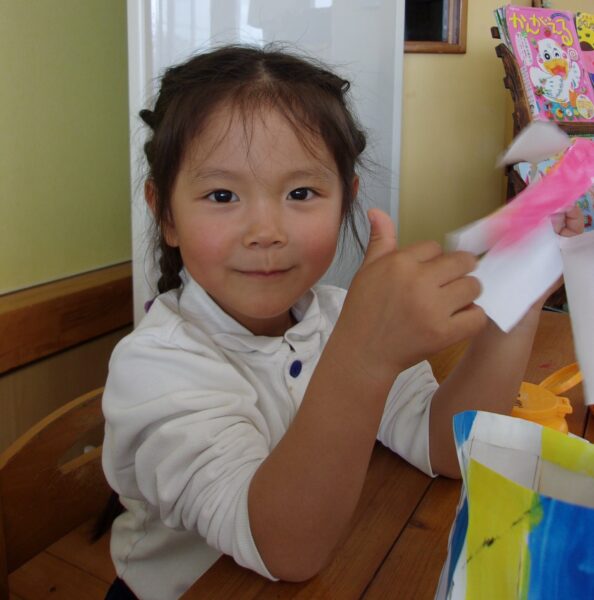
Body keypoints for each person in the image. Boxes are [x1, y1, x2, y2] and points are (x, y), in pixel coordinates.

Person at [101, 44, 584, 600]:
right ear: (166, 213)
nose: (266, 231)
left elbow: (448, 446)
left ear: (345, 202)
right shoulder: (155, 365)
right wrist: (363, 355)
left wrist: (520, 292)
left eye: (301, 193)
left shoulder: (335, 316)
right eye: (222, 195)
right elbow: (285, 549)